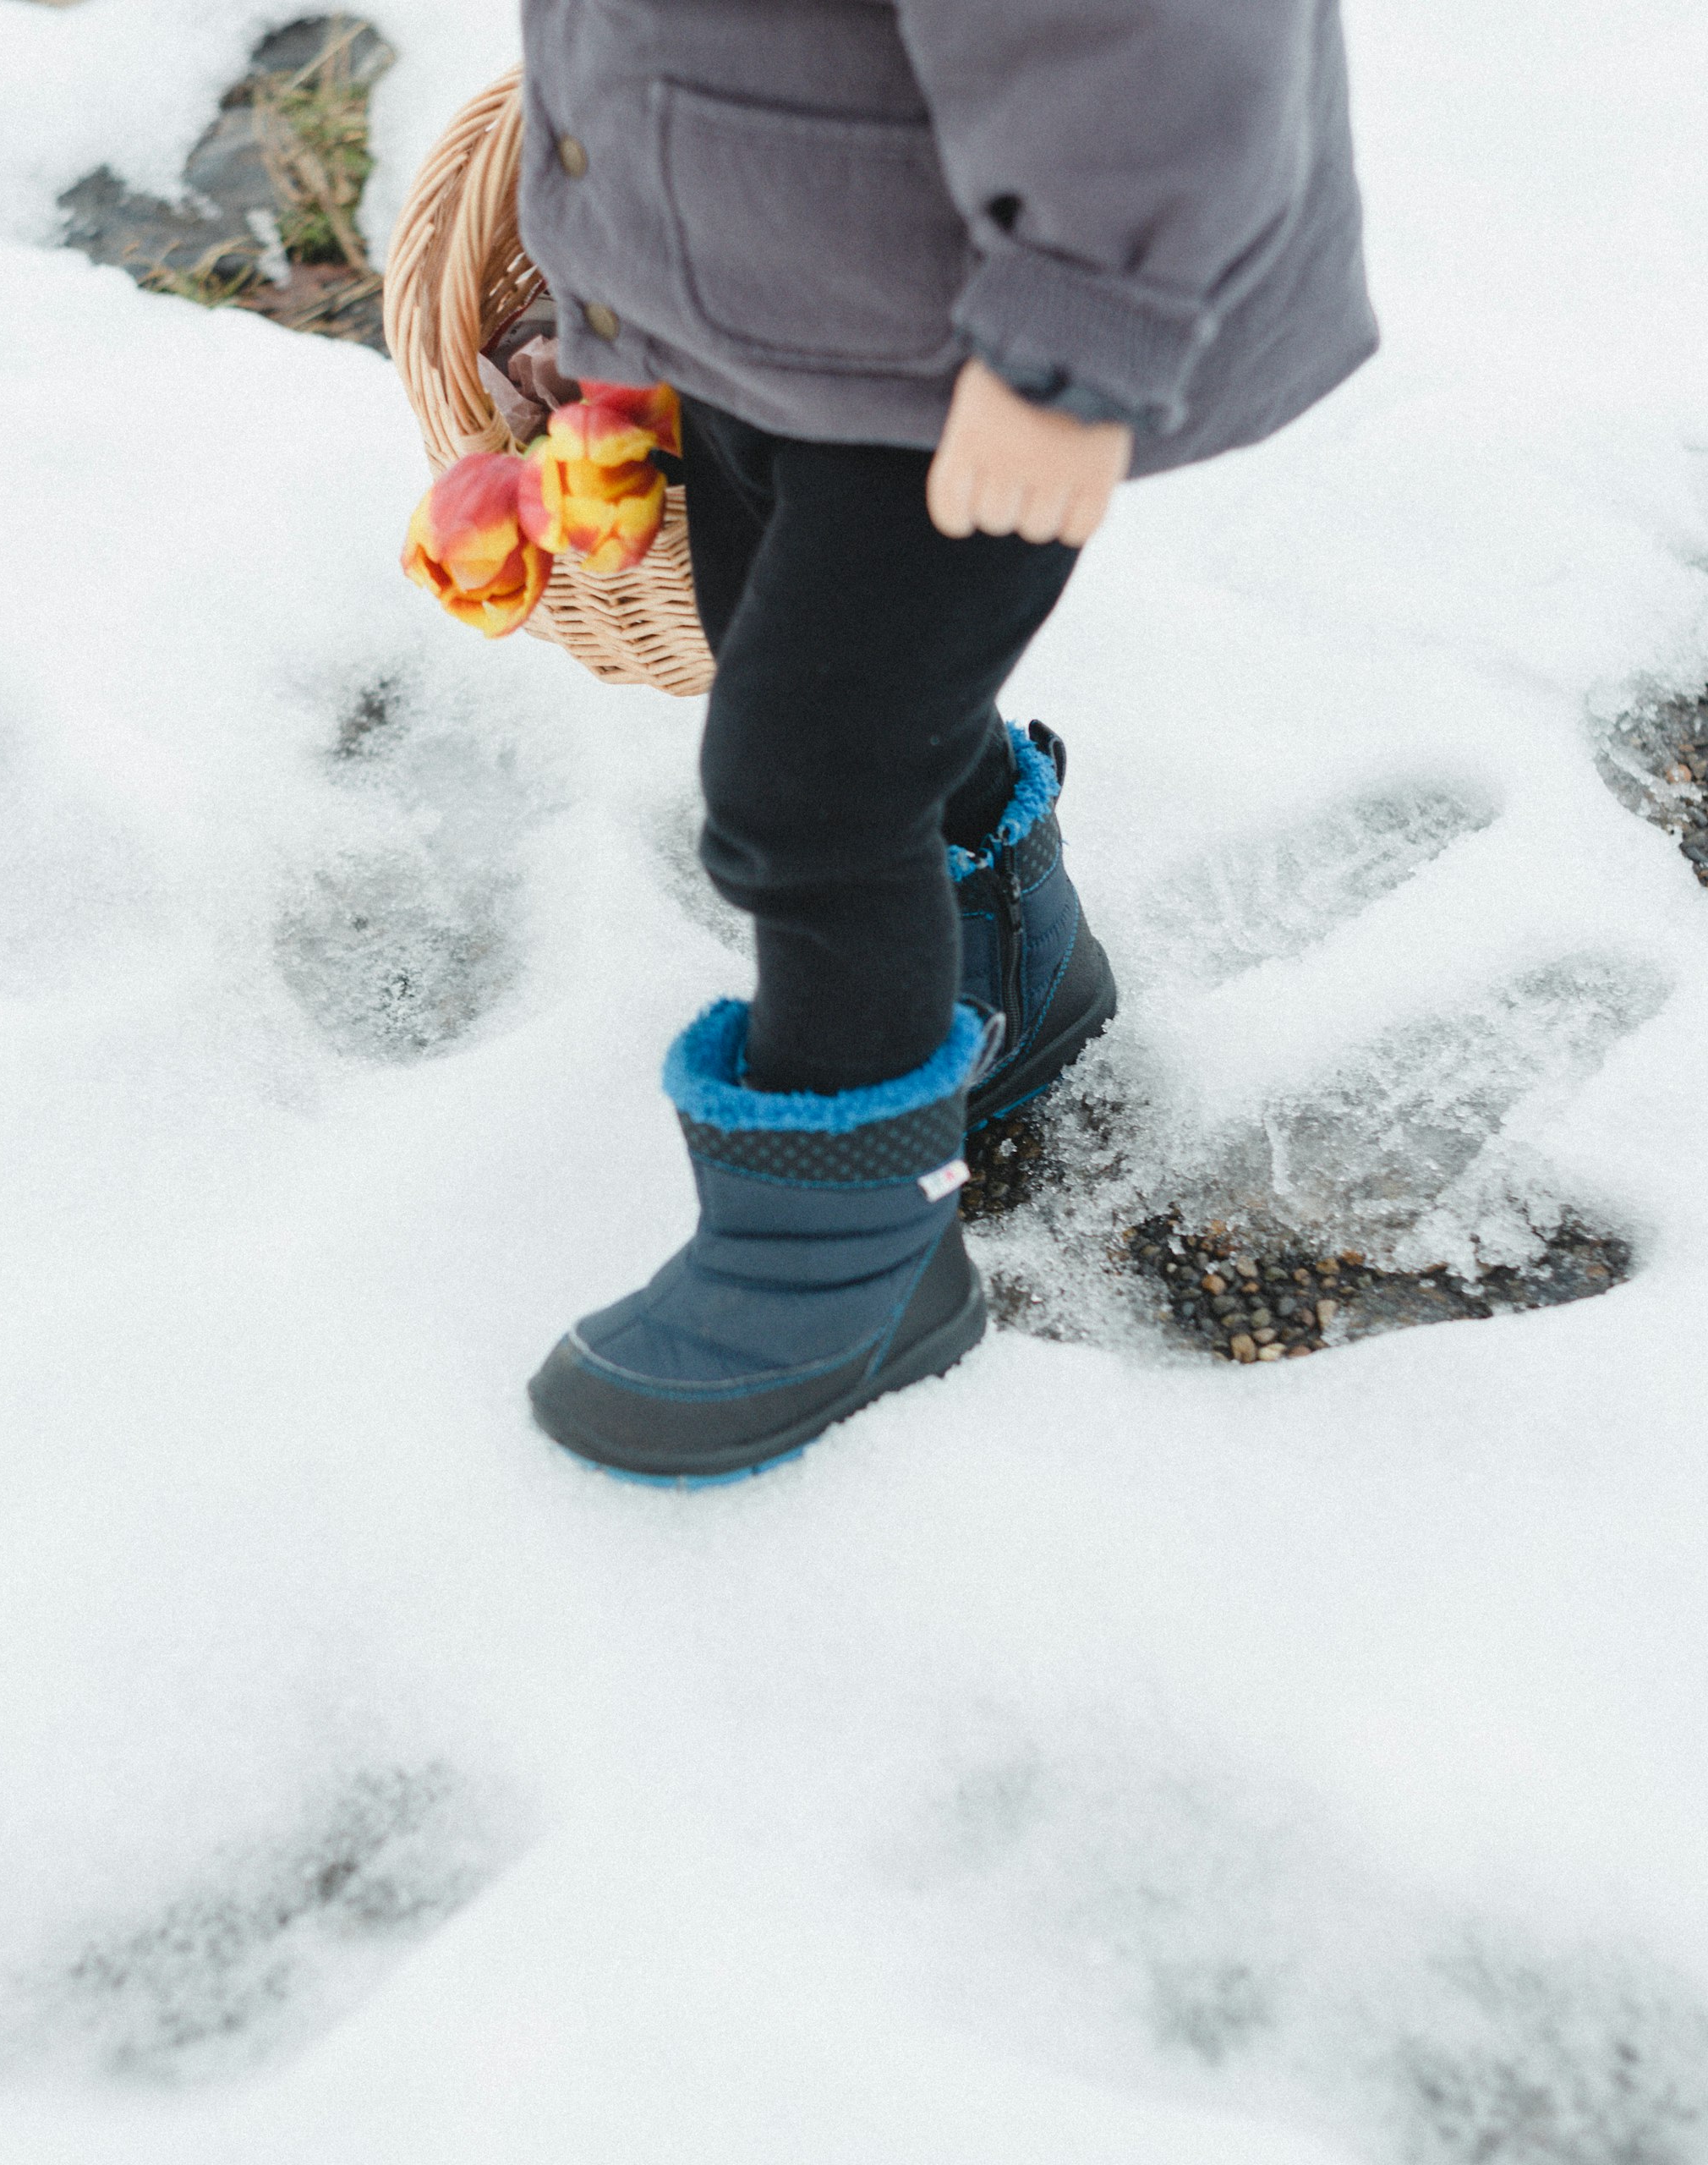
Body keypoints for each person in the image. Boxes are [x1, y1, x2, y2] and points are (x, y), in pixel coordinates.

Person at [511, 0, 1381, 1483]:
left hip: (969, 346)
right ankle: (1011, 972)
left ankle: (848, 1264)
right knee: (811, 676)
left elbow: (1156, 41)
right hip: (762, 294)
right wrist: (610, 250)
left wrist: (1080, 332)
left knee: (807, 789)